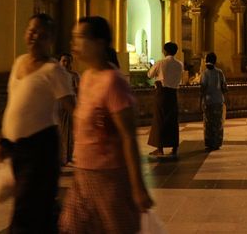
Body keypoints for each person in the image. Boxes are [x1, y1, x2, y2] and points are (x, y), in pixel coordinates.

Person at [60, 16, 153, 232]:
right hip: (83, 173)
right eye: (73, 38)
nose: (74, 44)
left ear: (99, 43)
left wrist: (138, 186)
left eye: (80, 37)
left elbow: (128, 136)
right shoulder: (87, 77)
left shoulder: (113, 82)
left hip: (109, 177)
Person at [0, 13, 75, 233]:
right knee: (37, 208)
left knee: (26, 207)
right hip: (17, 148)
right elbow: (13, 104)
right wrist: (2, 140)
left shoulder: (54, 70)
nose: (35, 37)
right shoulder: (19, 62)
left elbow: (72, 107)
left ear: (50, 39)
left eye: (42, 34)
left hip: (41, 147)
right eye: (32, 31)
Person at [147, 42, 184, 157]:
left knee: (160, 120)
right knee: (172, 120)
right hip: (173, 94)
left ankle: (160, 149)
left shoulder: (161, 62)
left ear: (165, 51)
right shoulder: (180, 64)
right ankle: (174, 147)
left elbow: (149, 75)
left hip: (162, 93)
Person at [200, 52, 228, 151]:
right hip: (219, 100)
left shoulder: (205, 73)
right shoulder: (219, 72)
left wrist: (201, 100)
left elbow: (202, 88)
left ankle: (209, 143)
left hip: (208, 101)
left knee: (208, 123)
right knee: (218, 122)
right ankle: (217, 143)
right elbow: (224, 87)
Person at [59, 53, 79, 166]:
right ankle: (61, 157)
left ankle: (68, 157)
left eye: (68, 61)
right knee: (60, 132)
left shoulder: (74, 76)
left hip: (71, 105)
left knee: (70, 133)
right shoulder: (56, 76)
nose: (65, 64)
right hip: (58, 107)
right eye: (63, 61)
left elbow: (78, 91)